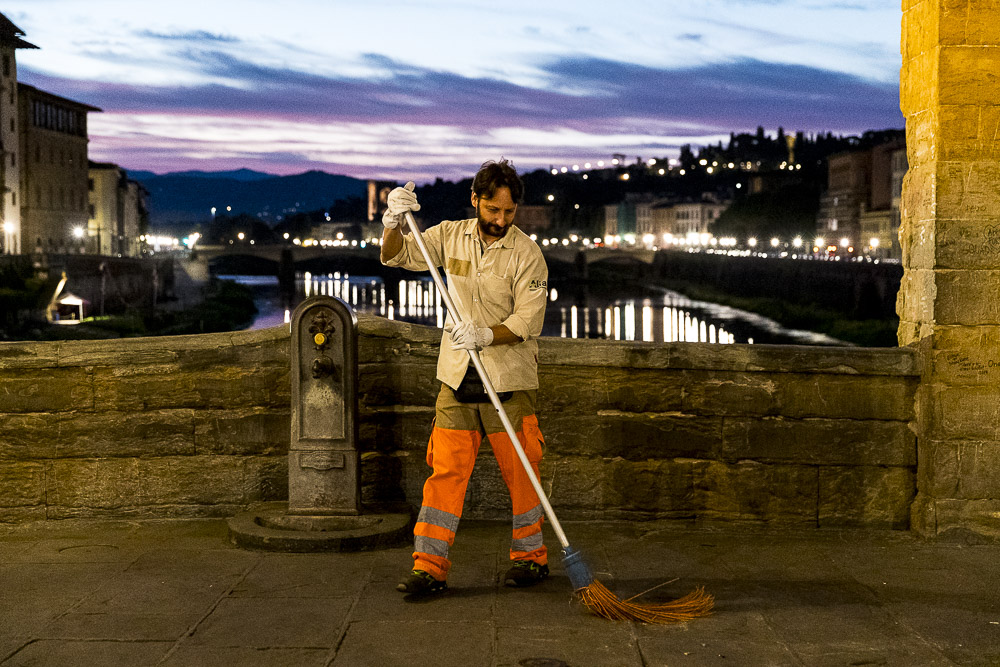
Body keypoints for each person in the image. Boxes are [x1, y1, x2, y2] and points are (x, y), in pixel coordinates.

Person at [380, 158, 550, 598]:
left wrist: (485, 335)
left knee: (522, 472)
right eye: (493, 210)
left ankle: (531, 558)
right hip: (457, 377)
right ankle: (429, 567)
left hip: (508, 378)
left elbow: (526, 322)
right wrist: (394, 222)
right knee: (445, 474)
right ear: (475, 200)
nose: (500, 220)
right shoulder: (448, 235)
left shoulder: (527, 255)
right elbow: (395, 255)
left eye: (509, 213)